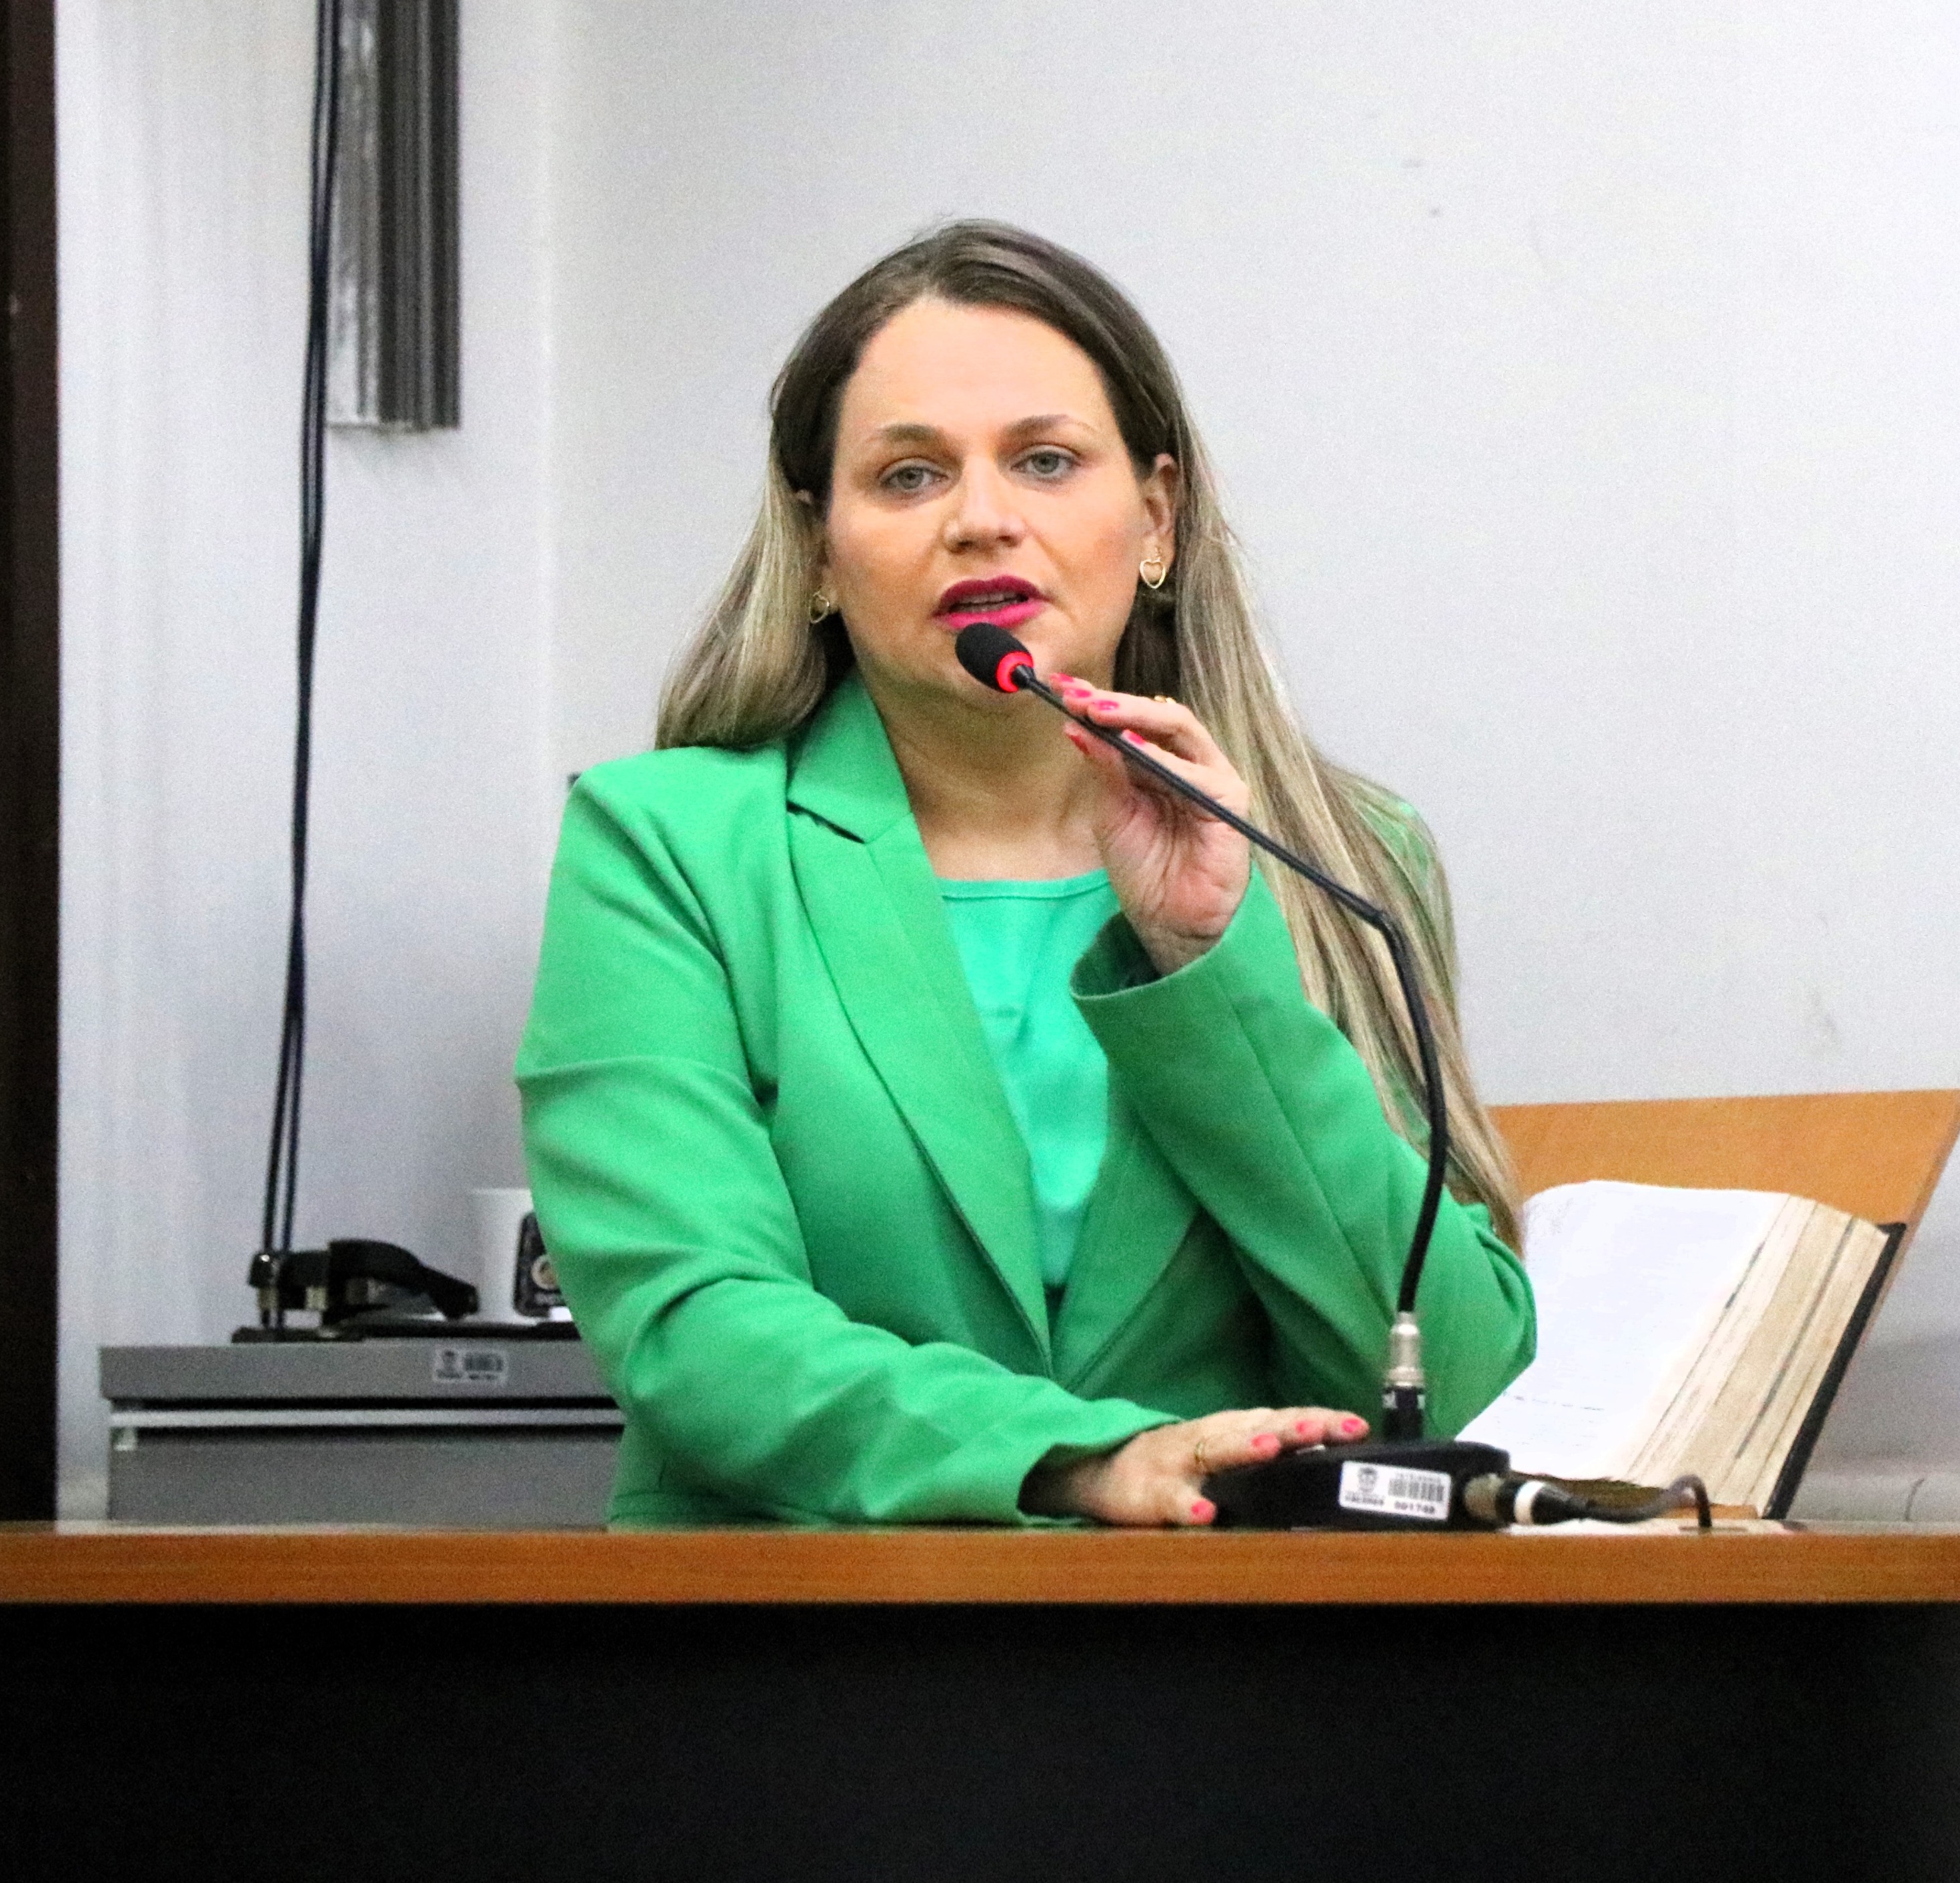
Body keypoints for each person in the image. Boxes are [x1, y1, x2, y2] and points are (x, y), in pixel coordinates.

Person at [518, 222, 1533, 1527]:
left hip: (1235, 1632)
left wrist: (1215, 973)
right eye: (909, 475)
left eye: (1046, 461)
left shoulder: (1344, 858)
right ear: (819, 546)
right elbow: (692, 1325)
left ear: (1156, 517)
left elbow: (1457, 1385)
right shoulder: (668, 844)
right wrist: (1082, 1460)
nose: (983, 518)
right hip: (793, 1625)